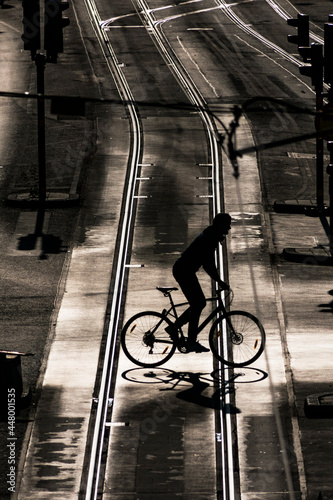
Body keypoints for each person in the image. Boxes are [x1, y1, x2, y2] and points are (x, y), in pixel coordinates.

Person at [170, 213, 231, 353]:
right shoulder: (209, 238)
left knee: (198, 303)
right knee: (198, 304)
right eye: (226, 226)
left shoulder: (211, 235)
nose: (228, 229)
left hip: (185, 270)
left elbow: (208, 263)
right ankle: (190, 341)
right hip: (183, 271)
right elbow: (208, 264)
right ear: (220, 225)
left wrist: (218, 280)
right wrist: (220, 281)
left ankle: (175, 328)